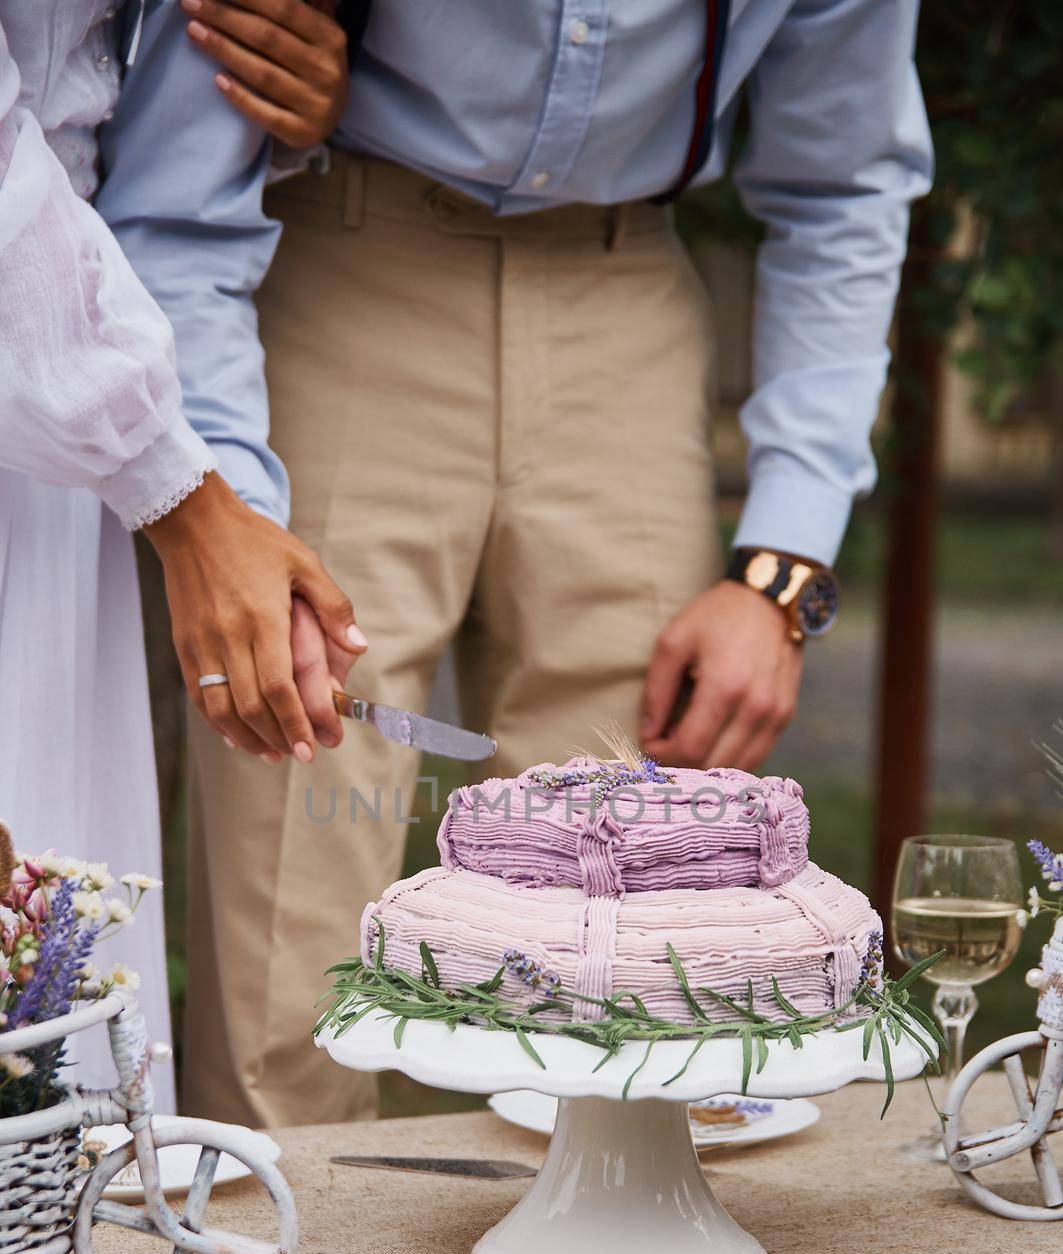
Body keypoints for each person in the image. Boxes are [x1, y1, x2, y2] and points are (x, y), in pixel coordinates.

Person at [107, 0, 932, 1128]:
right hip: (343, 260)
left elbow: (844, 180)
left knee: (625, 940)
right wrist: (226, 512)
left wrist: (781, 573)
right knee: (290, 911)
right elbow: (181, 187)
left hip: (626, 297)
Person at [0, 0, 357, 1100]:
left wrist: (203, 501)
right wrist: (184, 500)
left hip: (61, 401)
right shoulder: (136, 446)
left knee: (46, 944)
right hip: (47, 347)